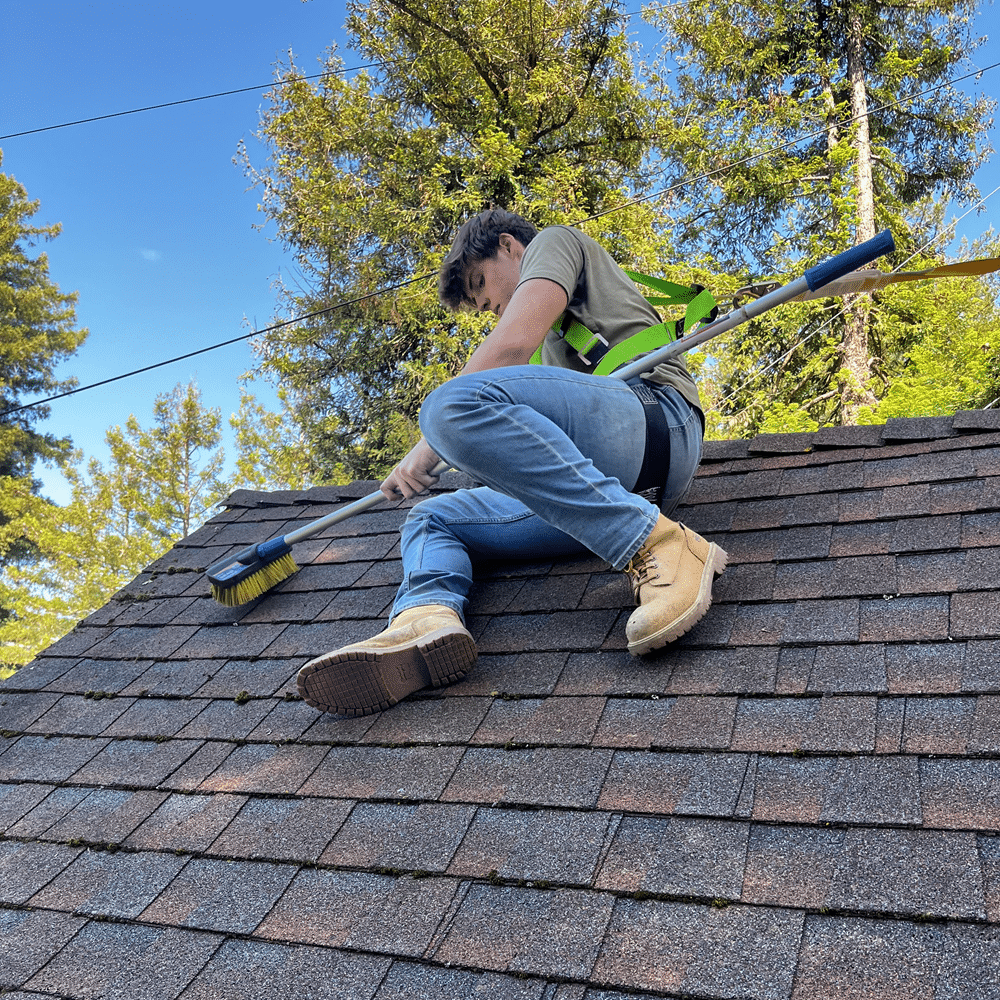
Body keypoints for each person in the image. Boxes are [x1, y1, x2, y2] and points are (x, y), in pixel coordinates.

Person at [296, 209, 728, 717]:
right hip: (613, 484)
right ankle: (425, 617)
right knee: (432, 519)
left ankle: (661, 544)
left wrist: (429, 445)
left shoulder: (553, 241)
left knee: (449, 405)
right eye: (482, 306)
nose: (492, 306)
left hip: (657, 420)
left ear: (509, 247)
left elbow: (510, 346)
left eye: (483, 286)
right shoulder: (553, 360)